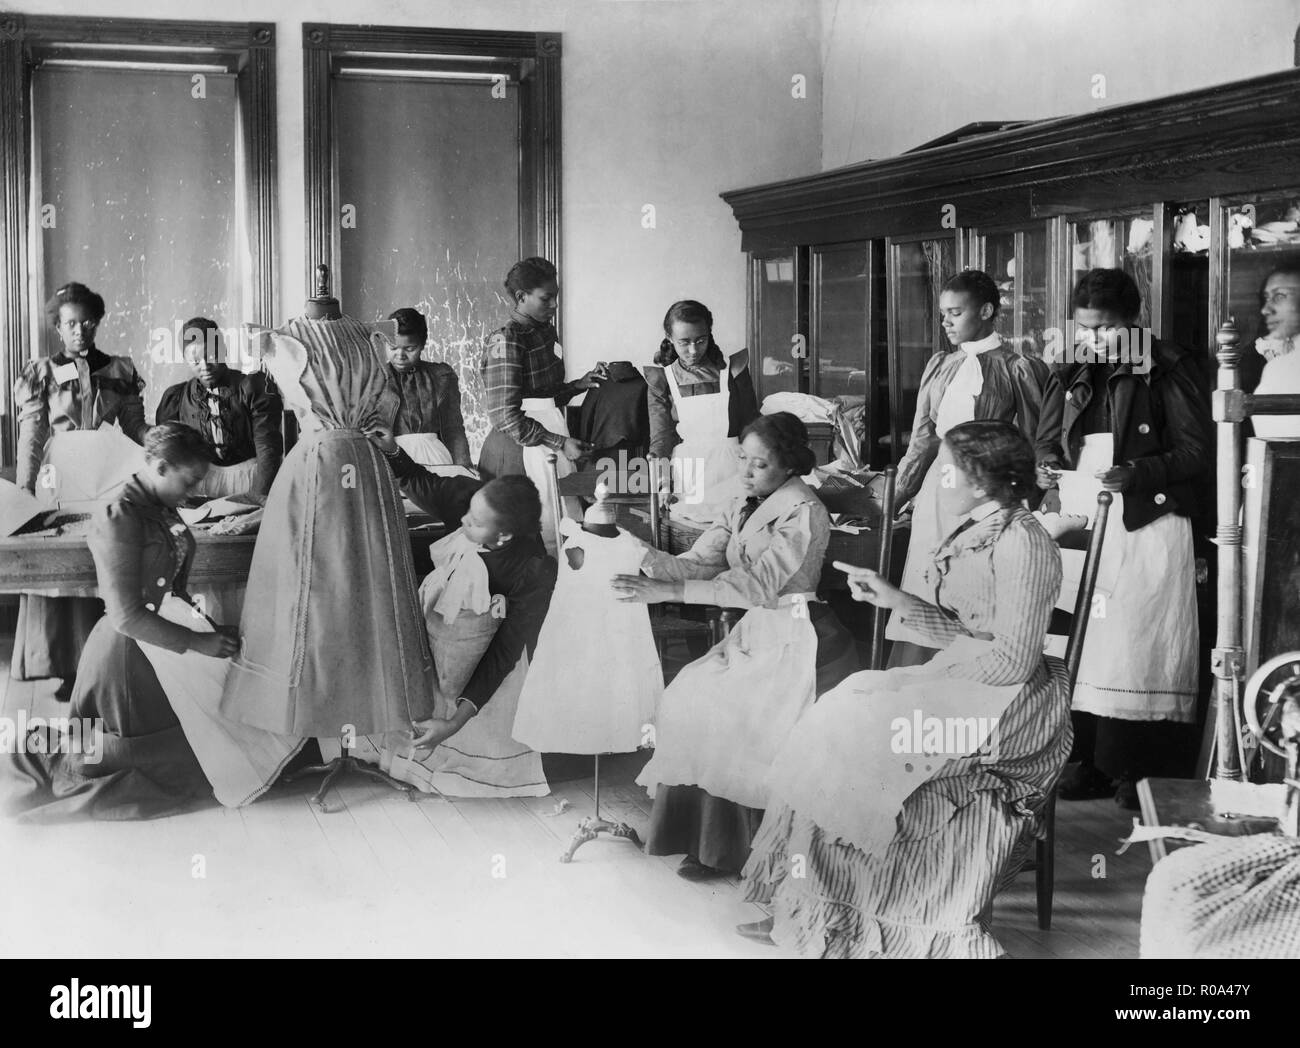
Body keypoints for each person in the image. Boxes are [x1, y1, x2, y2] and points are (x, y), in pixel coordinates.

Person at [739, 420, 1068, 958]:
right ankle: (810, 905)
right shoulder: (978, 528)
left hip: (1016, 705)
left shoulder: (1023, 544)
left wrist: (922, 688)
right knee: (834, 715)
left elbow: (1011, 660)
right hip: (975, 681)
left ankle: (856, 917)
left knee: (864, 727)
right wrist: (894, 599)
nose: (939, 482)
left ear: (981, 482)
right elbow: (966, 631)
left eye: (947, 472)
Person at [618, 412, 857, 879]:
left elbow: (760, 586)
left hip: (802, 632)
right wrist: (641, 556)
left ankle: (738, 848)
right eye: (743, 459)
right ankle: (706, 840)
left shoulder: (802, 511)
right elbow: (704, 562)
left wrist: (667, 592)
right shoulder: (743, 500)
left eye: (759, 464)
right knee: (689, 691)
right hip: (759, 631)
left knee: (730, 706)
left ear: (790, 465)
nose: (747, 472)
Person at [2, 424, 246, 819]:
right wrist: (198, 642)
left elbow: (174, 588)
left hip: (163, 645)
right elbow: (127, 616)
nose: (193, 491)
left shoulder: (160, 507)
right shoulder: (120, 517)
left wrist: (206, 629)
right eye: (189, 481)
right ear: (161, 468)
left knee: (215, 741)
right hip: (128, 659)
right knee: (161, 764)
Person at [1036, 268, 1212, 808]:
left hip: (1146, 519)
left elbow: (1196, 451)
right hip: (1085, 514)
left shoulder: (1168, 368)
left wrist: (1135, 474)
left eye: (1106, 328)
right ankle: (1086, 760)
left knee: (1137, 645)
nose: (1094, 339)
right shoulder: (1070, 369)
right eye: (1085, 328)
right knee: (1085, 644)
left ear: (1135, 320)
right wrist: (1045, 466)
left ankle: (1139, 771)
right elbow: (1045, 439)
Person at [219, 309, 438, 740]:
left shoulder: (373, 334)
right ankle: (318, 713)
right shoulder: (281, 337)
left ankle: (365, 713)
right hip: (315, 467)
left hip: (367, 468)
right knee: (317, 592)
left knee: (367, 588)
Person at [330, 426, 556, 797]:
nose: (464, 520)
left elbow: (504, 654)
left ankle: (460, 762)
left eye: (476, 524)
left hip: (483, 665)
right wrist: (391, 451)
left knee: (463, 724)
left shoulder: (532, 570)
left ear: (503, 538)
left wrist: (454, 723)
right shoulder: (475, 503)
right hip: (437, 635)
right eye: (468, 512)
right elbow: (422, 481)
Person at [887, 269, 1048, 667]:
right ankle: (919, 676)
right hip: (937, 490)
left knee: (972, 582)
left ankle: (971, 671)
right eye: (943, 313)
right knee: (928, 578)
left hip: (984, 491)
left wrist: (1033, 497)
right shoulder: (939, 365)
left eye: (955, 313)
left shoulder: (1017, 368)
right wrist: (895, 497)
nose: (946, 322)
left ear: (987, 310)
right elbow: (922, 439)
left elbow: (1030, 442)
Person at [11, 281, 149, 695]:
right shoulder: (41, 372)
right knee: (65, 565)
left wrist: (156, 447)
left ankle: (106, 665)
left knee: (103, 563)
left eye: (87, 322)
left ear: (97, 323)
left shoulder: (119, 370)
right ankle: (68, 667)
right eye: (71, 323)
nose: (80, 330)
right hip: (60, 476)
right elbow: (32, 436)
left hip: (106, 475)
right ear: (58, 326)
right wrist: (23, 489)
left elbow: (136, 427)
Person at [478, 257, 602, 552]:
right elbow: (505, 416)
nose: (554, 305)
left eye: (555, 296)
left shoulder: (545, 332)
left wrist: (578, 385)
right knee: (538, 531)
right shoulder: (505, 340)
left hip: (550, 436)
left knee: (564, 526)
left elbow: (544, 397)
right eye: (547, 298)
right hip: (521, 448)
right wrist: (559, 442)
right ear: (521, 297)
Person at [644, 300, 759, 525]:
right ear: (669, 338)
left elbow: (751, 425)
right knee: (691, 533)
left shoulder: (734, 370)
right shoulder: (662, 380)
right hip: (689, 470)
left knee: (734, 531)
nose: (694, 350)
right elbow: (661, 437)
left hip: (733, 467)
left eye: (701, 340)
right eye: (684, 342)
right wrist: (663, 484)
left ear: (709, 334)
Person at [155, 317, 284, 497]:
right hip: (199, 486)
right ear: (185, 359)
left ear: (223, 350)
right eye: (195, 360)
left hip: (250, 480)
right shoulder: (177, 399)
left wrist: (260, 495)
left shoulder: (250, 388)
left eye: (211, 356)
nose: (205, 366)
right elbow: (170, 456)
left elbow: (267, 447)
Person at [383, 307, 473, 467]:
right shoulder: (375, 378)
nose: (400, 355)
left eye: (410, 349)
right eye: (393, 347)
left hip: (435, 458)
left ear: (422, 344)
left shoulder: (441, 376)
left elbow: (453, 429)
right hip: (390, 460)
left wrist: (464, 468)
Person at [1240, 262, 1300, 439]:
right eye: (1266, 298)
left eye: (1280, 296)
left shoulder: (1279, 368)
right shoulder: (1274, 365)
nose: (1265, 309)